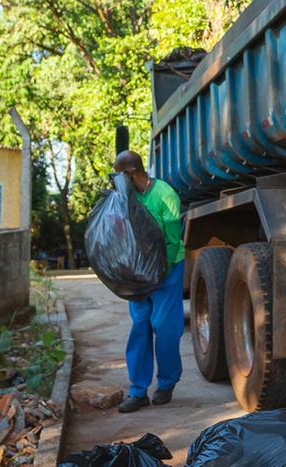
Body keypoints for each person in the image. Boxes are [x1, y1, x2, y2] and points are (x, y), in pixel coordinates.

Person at [113, 150, 186, 413]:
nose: (117, 183)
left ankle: (166, 383)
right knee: (140, 326)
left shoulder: (165, 195)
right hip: (138, 273)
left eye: (120, 176)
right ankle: (138, 391)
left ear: (131, 174)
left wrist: (157, 271)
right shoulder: (125, 198)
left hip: (167, 269)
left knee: (165, 328)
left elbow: (172, 241)